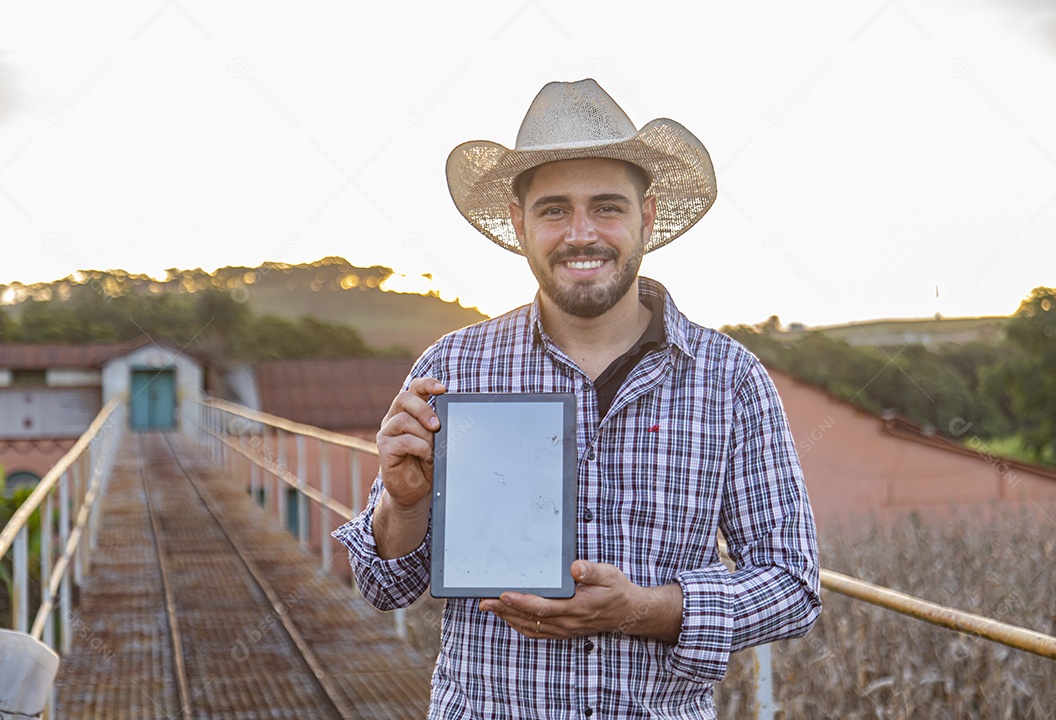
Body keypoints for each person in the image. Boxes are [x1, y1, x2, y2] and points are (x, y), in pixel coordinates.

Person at [334, 78, 821, 719]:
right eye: (554, 210)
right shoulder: (454, 368)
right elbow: (384, 586)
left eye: (608, 207)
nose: (581, 234)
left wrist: (642, 609)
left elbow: (792, 586)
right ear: (520, 224)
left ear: (647, 216)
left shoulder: (730, 379)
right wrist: (403, 502)